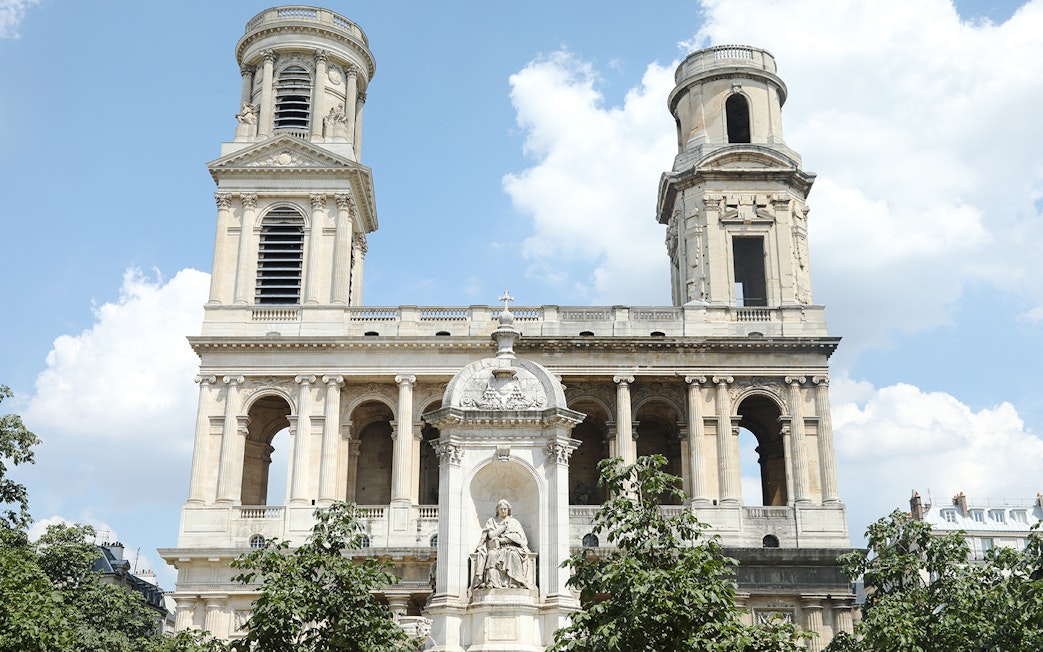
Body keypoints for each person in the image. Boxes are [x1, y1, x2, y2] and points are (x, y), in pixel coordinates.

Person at [472, 499, 530, 589]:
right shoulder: (491, 521)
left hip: (510, 547)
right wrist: (503, 528)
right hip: (495, 548)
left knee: (513, 554)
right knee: (491, 555)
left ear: (508, 510)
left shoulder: (513, 522)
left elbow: (518, 537)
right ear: (497, 510)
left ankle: (515, 582)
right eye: (501, 509)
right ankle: (492, 582)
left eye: (505, 509)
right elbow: (491, 535)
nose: (503, 511)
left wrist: (502, 540)